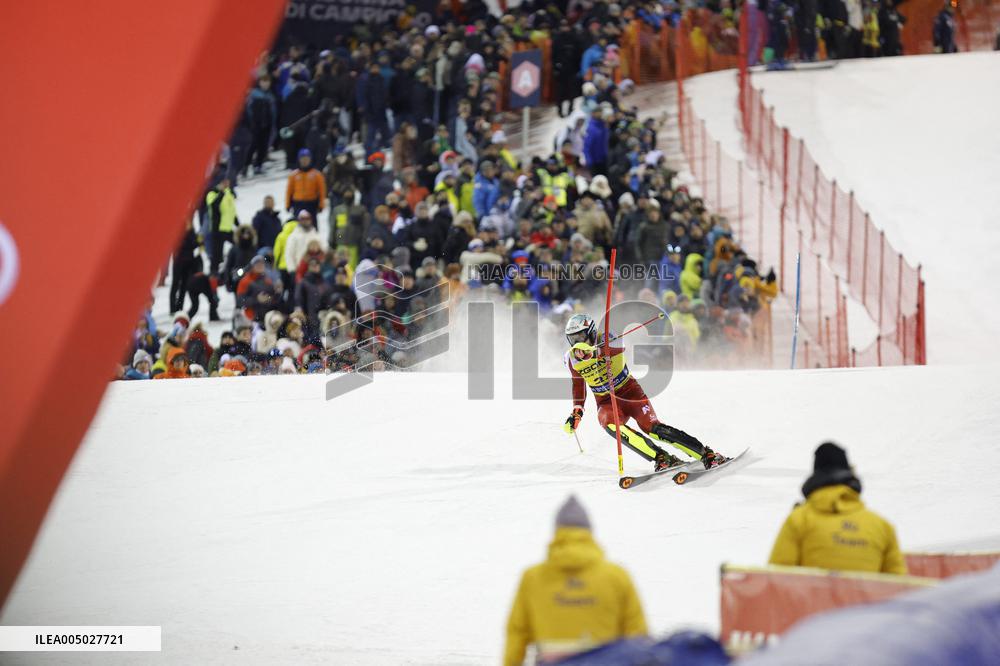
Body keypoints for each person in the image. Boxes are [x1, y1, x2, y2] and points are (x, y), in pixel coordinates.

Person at [562, 313, 728, 472]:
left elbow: (619, 347)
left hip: (630, 393)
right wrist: (577, 412)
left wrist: (599, 352)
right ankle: (661, 458)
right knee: (610, 424)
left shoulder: (606, 337)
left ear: (591, 333)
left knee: (652, 428)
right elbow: (578, 384)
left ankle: (707, 454)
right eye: (572, 339)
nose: (577, 344)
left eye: (580, 337)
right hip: (606, 402)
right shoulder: (571, 359)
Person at [504, 495, 647, 666]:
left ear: (557, 531)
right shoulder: (616, 576)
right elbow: (637, 635)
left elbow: (517, 633)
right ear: (588, 531)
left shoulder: (533, 578)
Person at [769, 442, 907, 574]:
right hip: (867, 599)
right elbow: (900, 588)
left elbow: (777, 577)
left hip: (814, 597)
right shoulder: (882, 527)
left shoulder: (799, 520)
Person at [285, 148, 327, 219]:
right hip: (298, 204)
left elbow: (322, 191)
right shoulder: (294, 175)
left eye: (306, 158)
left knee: (312, 226)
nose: (304, 160)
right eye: (302, 158)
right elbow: (289, 191)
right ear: (299, 159)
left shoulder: (317, 174)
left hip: (311, 204)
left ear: (310, 159)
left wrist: (321, 204)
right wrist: (288, 204)